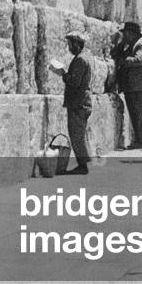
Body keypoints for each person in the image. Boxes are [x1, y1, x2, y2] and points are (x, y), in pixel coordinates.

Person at [49, 30, 92, 175]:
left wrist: (63, 74)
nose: (69, 47)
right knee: (79, 134)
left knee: (76, 135)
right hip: (81, 103)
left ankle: (82, 166)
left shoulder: (80, 60)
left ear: (76, 44)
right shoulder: (85, 57)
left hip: (78, 104)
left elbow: (75, 82)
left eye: (70, 44)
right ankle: (83, 163)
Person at [115, 22, 142, 149]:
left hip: (139, 84)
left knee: (141, 113)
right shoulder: (130, 45)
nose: (124, 36)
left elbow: (139, 60)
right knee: (134, 113)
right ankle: (139, 139)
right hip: (131, 85)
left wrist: (123, 61)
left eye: (125, 33)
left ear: (132, 34)